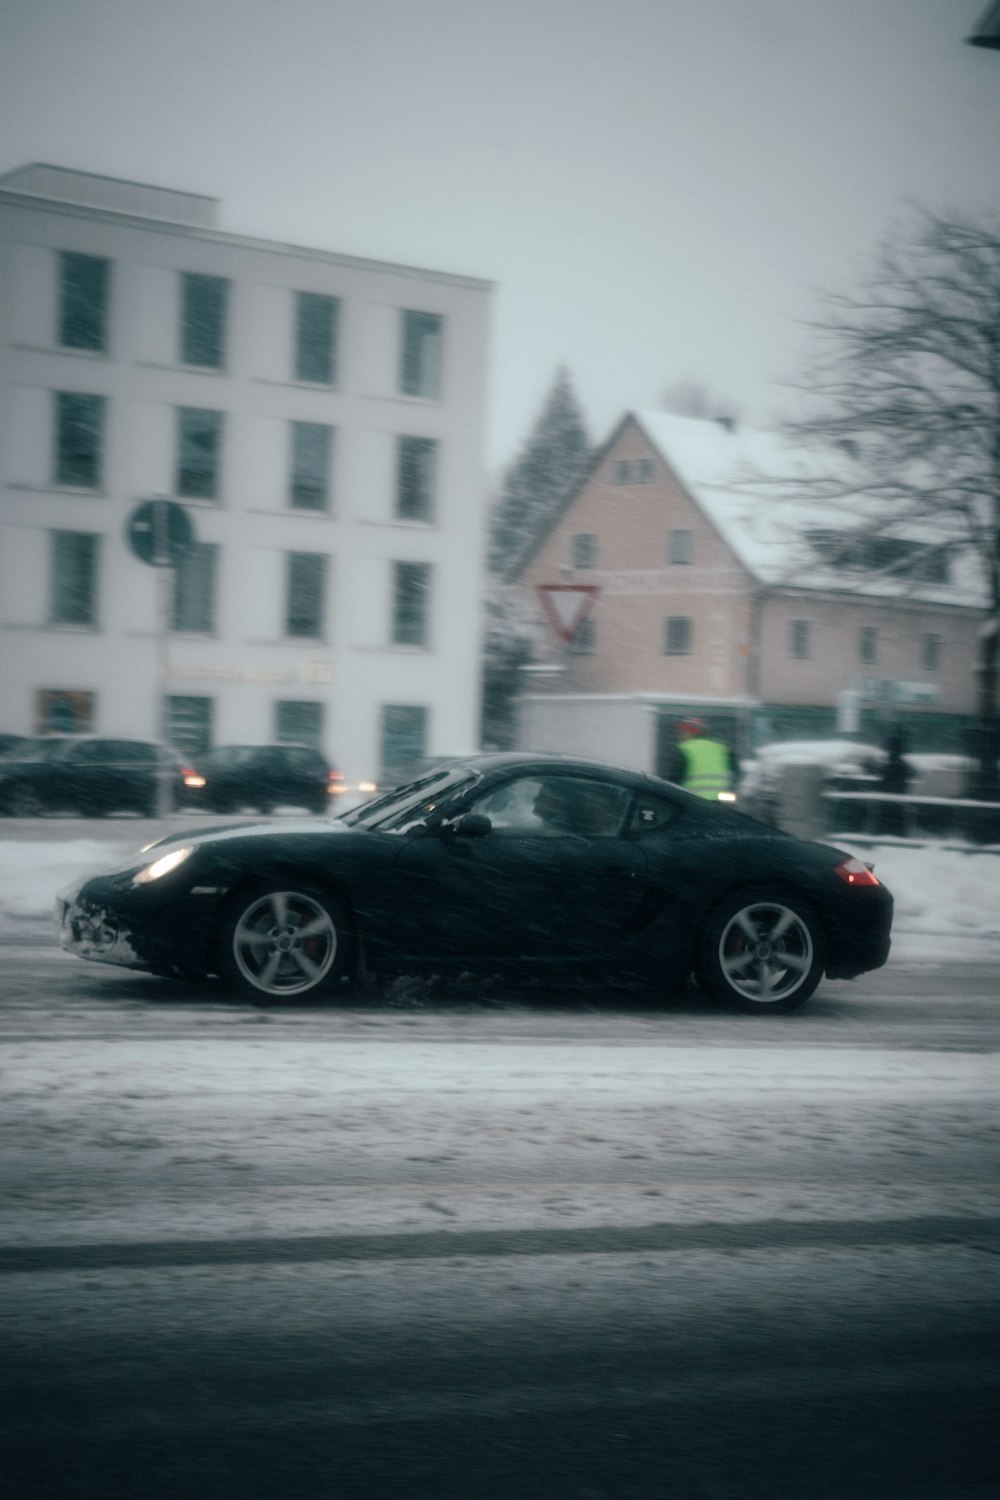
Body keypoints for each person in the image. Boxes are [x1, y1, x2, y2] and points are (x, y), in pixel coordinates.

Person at [669, 716, 736, 800]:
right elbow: (734, 771)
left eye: (683, 731)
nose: (680, 734)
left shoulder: (684, 748)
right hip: (721, 801)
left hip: (693, 799)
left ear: (691, 732)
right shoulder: (721, 748)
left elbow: (676, 777)